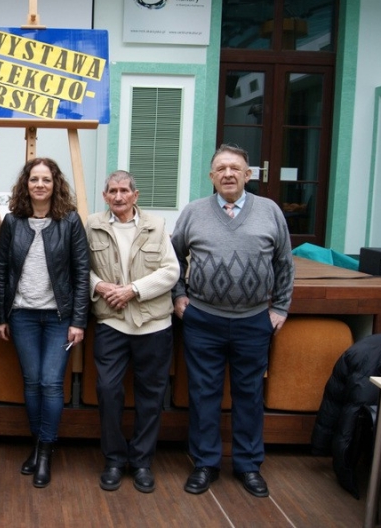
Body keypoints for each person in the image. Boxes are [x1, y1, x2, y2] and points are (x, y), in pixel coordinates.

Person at [171, 143, 294, 498]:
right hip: (203, 320)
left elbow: (284, 262)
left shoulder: (269, 211)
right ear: (211, 176)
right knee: (203, 394)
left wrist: (280, 308)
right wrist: (179, 297)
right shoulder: (194, 212)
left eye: (235, 168)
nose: (228, 174)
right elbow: (173, 257)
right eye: (221, 169)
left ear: (248, 174)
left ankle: (248, 465)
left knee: (249, 395)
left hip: (253, 321)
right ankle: (205, 463)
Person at [0, 157, 90, 488]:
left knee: (51, 382)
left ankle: (46, 451)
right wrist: (1, 316)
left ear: (55, 184)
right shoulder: (12, 221)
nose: (39, 185)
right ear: (26, 184)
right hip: (22, 315)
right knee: (32, 381)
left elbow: (81, 273)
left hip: (59, 317)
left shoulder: (70, 220)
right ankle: (38, 444)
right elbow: (3, 270)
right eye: (34, 179)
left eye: (46, 179)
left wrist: (78, 321)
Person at [85, 170, 179, 493]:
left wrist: (133, 290)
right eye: (112, 191)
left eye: (124, 190)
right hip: (111, 322)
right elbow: (81, 267)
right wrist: (100, 286)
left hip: (154, 325)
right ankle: (113, 459)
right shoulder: (92, 225)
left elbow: (171, 270)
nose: (119, 196)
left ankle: (141, 462)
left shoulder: (157, 225)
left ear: (135, 196)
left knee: (150, 397)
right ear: (105, 196)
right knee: (108, 390)